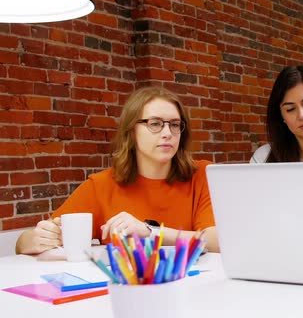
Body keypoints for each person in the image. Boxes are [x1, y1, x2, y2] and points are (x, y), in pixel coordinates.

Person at [16, 86, 219, 255]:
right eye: (155, 124)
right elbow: (23, 244)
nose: (168, 133)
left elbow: (217, 241)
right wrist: (35, 240)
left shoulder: (202, 174)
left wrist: (151, 233)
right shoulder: (101, 185)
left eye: (175, 125)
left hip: (194, 288)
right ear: (131, 131)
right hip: (123, 293)